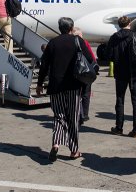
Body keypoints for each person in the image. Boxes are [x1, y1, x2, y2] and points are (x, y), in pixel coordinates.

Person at [36, 17, 94, 162]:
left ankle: (56, 143)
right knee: (73, 117)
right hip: (73, 85)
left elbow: (44, 65)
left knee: (59, 116)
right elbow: (90, 59)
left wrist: (39, 83)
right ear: (71, 28)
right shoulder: (77, 41)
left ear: (59, 28)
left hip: (56, 86)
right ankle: (74, 150)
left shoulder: (53, 43)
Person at [106, 16, 136, 138]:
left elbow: (108, 55)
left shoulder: (114, 37)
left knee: (120, 99)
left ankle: (119, 127)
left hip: (120, 72)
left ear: (119, 25)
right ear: (129, 23)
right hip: (134, 72)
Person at [71, 27, 97, 123]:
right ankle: (84, 114)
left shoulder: (70, 42)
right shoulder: (84, 43)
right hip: (85, 72)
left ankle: (77, 113)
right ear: (78, 35)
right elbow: (92, 57)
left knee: (76, 94)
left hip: (74, 73)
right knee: (86, 94)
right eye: (81, 35)